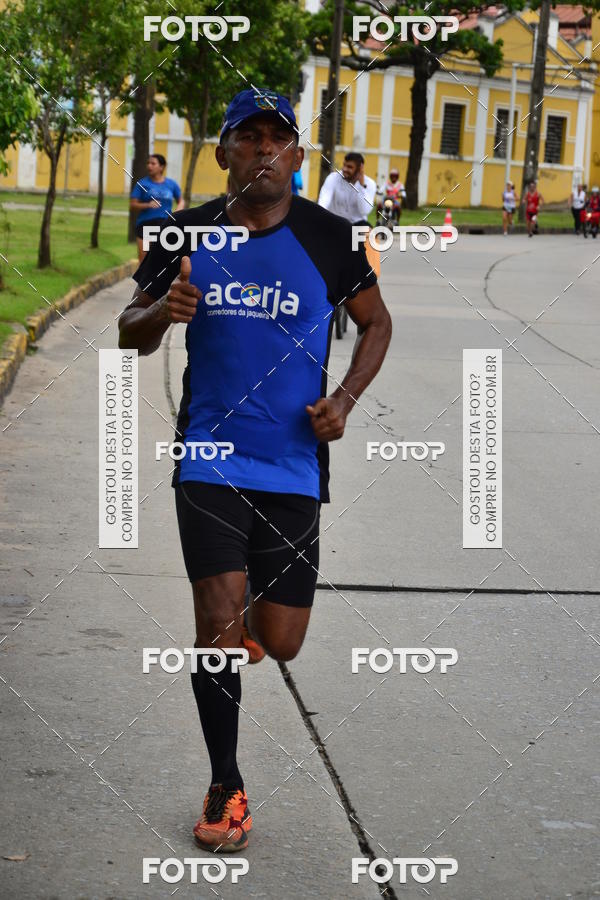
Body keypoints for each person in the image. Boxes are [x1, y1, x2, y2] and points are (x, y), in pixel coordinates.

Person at [118, 88, 392, 854]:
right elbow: (127, 334)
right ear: (224, 153)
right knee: (216, 621)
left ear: (299, 158)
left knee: (281, 636)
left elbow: (377, 323)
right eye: (249, 138)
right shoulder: (182, 232)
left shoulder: (334, 239)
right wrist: (158, 313)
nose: (264, 150)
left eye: (279, 139)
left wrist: (344, 397)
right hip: (208, 457)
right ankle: (225, 782)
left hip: (293, 466)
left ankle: (250, 631)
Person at [317, 152, 379, 275]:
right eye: (344, 165)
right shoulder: (333, 178)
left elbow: (364, 210)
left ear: (360, 168)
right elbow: (323, 201)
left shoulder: (369, 184)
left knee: (370, 235)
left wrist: (361, 185)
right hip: (335, 222)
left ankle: (372, 276)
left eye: (350, 167)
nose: (345, 169)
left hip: (356, 225)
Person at [130, 154, 184, 261]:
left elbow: (181, 200)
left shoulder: (171, 184)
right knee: (144, 261)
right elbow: (133, 205)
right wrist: (147, 205)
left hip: (165, 224)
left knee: (163, 260)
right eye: (148, 163)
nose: (149, 166)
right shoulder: (142, 183)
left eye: (153, 163)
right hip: (145, 225)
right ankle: (144, 278)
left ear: (161, 167)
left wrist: (178, 211)